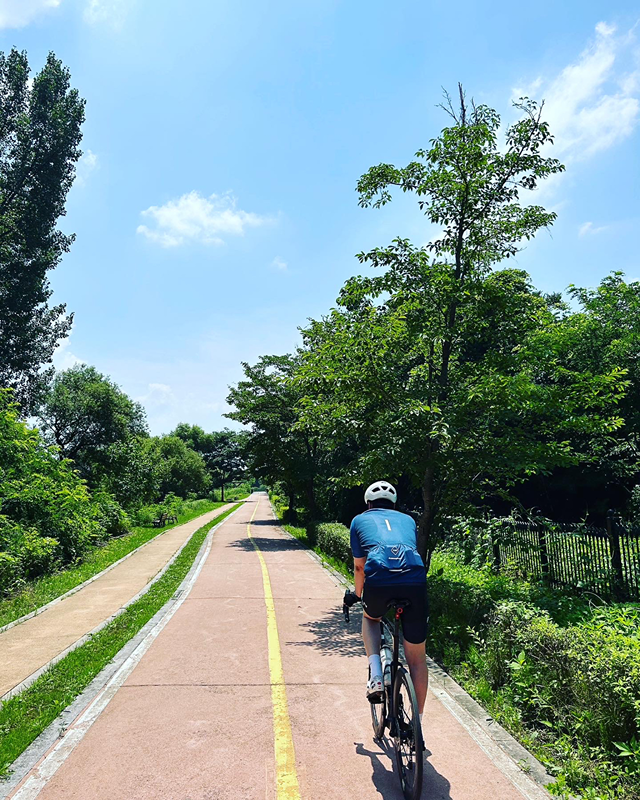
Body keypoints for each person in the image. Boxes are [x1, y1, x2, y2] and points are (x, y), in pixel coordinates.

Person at [345, 480, 429, 721]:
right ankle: (418, 724)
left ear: (368, 503)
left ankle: (376, 675)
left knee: (371, 619)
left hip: (379, 581)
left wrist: (358, 595)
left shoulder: (359, 520)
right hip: (415, 583)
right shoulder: (408, 520)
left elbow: (360, 567)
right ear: (394, 505)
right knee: (417, 657)